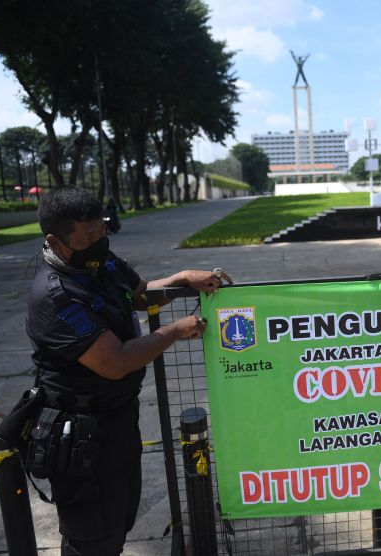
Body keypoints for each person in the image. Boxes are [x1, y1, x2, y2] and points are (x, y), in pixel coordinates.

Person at [26, 185, 232, 556]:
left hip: (117, 418)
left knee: (117, 524)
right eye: (88, 236)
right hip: (80, 430)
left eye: (102, 231)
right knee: (92, 539)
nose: (99, 241)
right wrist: (175, 329)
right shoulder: (57, 297)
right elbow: (116, 361)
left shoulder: (97, 260)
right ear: (56, 242)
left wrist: (182, 277)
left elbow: (140, 294)